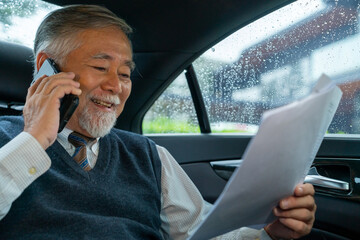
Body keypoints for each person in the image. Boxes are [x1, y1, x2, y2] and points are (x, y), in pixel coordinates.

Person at [0, 4, 316, 240]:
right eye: (100, 67)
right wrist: (34, 140)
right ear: (47, 68)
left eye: (124, 74)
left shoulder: (150, 157)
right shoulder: (5, 139)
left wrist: (269, 235)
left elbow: (199, 233)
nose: (116, 86)